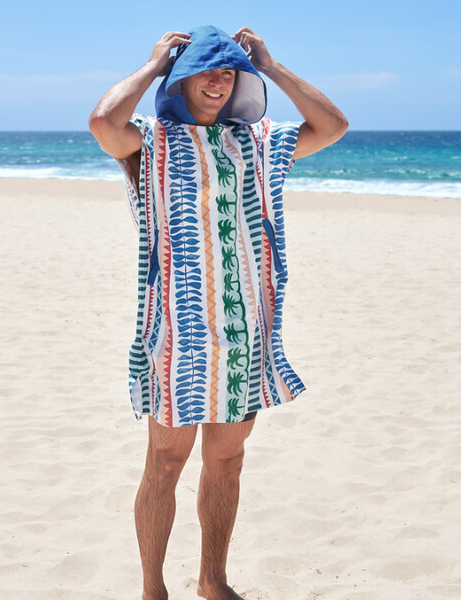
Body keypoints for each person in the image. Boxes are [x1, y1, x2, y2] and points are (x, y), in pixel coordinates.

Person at [89, 25, 348, 600]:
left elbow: (332, 127)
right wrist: (154, 64)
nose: (217, 81)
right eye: (205, 70)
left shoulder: (255, 141)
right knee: (165, 463)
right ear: (180, 81)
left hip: (244, 333)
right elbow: (103, 122)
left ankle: (212, 581)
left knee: (227, 461)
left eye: (228, 72)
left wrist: (271, 66)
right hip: (177, 335)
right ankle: (152, 590)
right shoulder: (150, 142)